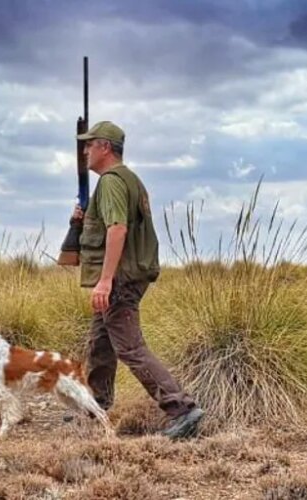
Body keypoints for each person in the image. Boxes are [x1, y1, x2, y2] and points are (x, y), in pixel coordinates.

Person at [70, 120, 204, 439]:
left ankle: (181, 409)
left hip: (120, 278)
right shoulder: (129, 180)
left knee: (130, 347)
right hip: (127, 274)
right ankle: (96, 407)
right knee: (100, 343)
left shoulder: (112, 182)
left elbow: (118, 229)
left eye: (90, 144)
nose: (85, 150)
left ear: (105, 147)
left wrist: (105, 281)